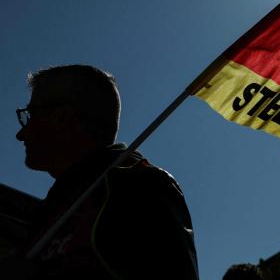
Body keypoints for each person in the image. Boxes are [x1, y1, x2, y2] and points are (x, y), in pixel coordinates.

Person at [7, 64, 199, 279]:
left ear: (61, 117)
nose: (21, 133)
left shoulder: (137, 187)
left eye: (30, 115)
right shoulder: (55, 206)